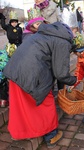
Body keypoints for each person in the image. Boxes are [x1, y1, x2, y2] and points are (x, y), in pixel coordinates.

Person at [3, 16, 78, 147]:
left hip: (14, 71)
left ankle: (21, 132)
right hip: (30, 74)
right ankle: (51, 136)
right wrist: (73, 80)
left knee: (20, 107)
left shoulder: (41, 34)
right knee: (46, 102)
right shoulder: (63, 41)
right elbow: (61, 73)